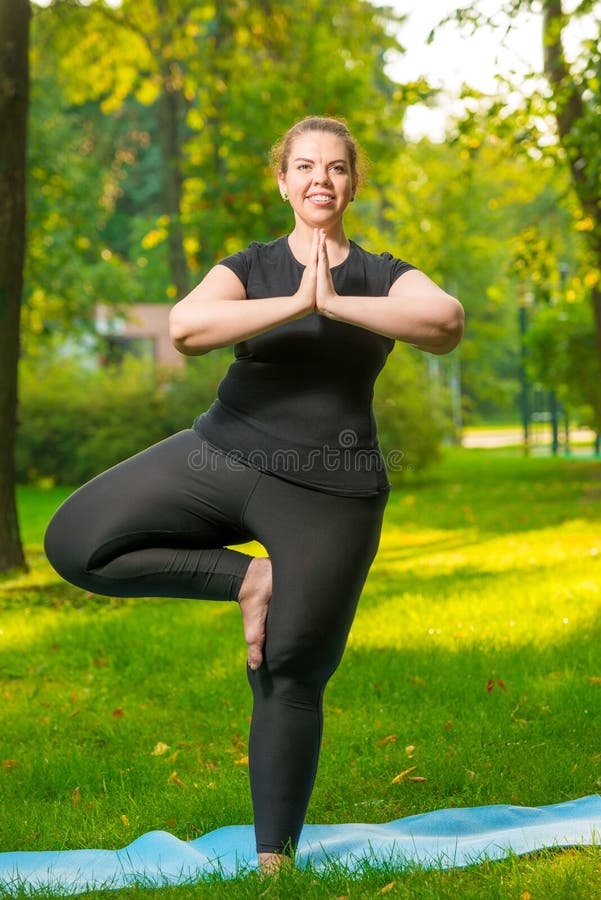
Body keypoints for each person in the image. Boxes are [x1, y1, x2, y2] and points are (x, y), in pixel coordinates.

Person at [44, 116, 464, 872]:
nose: (320, 180)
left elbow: (444, 321)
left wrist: (335, 302)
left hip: (331, 490)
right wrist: (298, 302)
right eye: (304, 166)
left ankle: (275, 865)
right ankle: (252, 577)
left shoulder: (382, 272)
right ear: (282, 181)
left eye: (335, 168)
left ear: (351, 184)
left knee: (288, 669)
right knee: (76, 542)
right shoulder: (250, 266)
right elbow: (186, 327)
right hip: (222, 455)